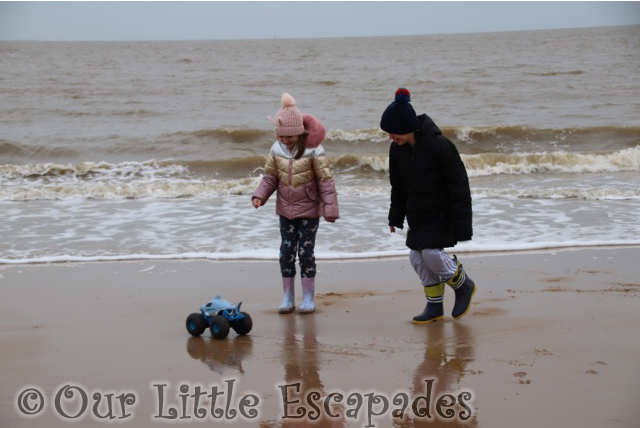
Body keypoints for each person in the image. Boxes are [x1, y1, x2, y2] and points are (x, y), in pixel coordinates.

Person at [380, 88, 476, 324]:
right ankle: (434, 306)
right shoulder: (397, 150)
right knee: (416, 257)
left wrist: (463, 224)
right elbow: (398, 187)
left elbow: (459, 186)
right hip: (417, 214)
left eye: (394, 132)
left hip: (442, 213)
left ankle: (463, 284)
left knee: (432, 254)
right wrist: (395, 217)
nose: (391, 137)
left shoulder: (440, 146)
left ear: (407, 127)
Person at [252, 93, 339, 315]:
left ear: (299, 132)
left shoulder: (314, 151)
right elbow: (270, 177)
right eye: (282, 136)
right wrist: (260, 196)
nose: (286, 140)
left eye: (290, 137)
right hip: (286, 212)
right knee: (286, 252)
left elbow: (326, 181)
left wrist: (330, 208)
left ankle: (308, 297)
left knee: (306, 252)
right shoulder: (276, 149)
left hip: (309, 211)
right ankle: (288, 296)